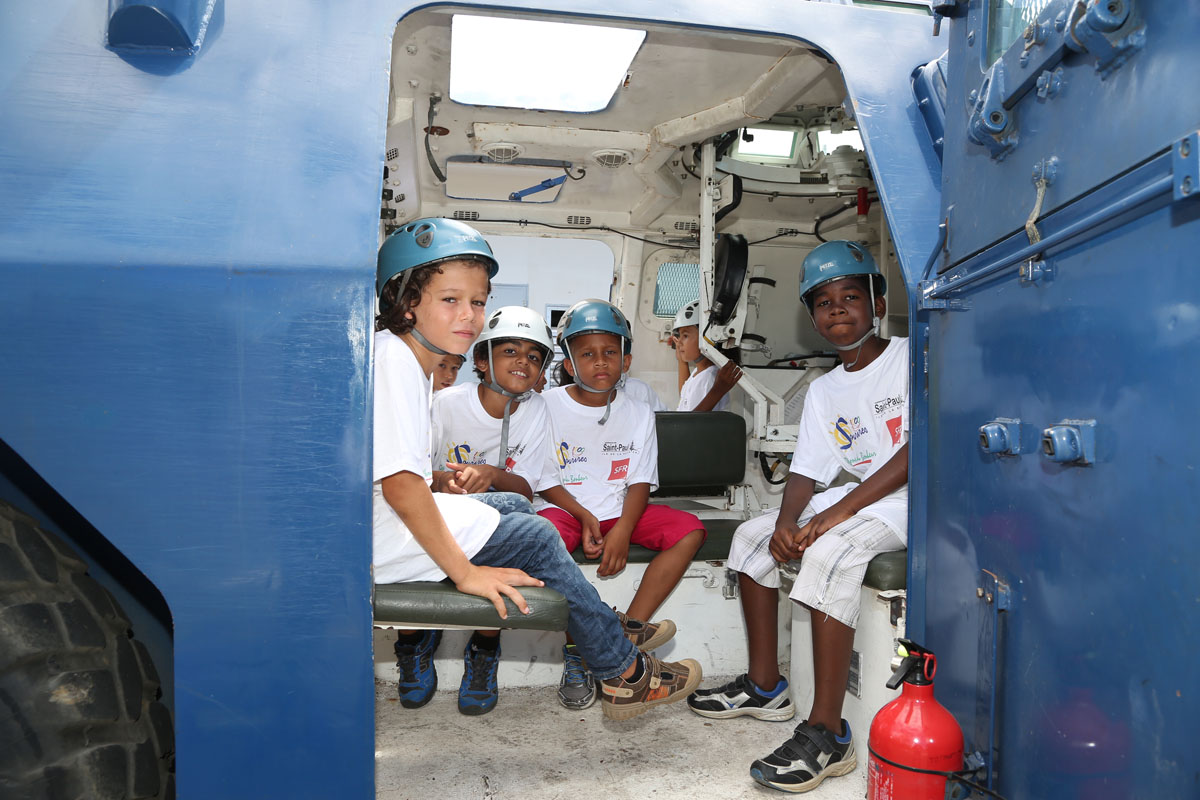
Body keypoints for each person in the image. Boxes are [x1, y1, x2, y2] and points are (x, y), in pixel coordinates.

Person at [373, 218, 701, 721]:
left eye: (478, 302)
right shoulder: (397, 362)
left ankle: (599, 624)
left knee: (510, 504)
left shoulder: (404, 361)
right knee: (536, 536)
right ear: (406, 301)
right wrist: (466, 575)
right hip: (381, 537)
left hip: (383, 523)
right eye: (450, 300)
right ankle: (622, 672)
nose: (469, 316)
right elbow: (400, 485)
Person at [686, 241, 908, 794]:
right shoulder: (824, 390)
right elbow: (806, 471)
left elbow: (914, 454)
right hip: (858, 496)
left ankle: (828, 734)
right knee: (752, 537)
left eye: (851, 296)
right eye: (824, 302)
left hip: (914, 498)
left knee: (831, 551)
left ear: (878, 302)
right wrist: (788, 523)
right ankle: (765, 687)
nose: (837, 310)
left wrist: (830, 518)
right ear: (812, 318)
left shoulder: (910, 357)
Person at [537, 298, 707, 710]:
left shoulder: (638, 411)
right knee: (544, 544)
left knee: (689, 529)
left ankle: (624, 633)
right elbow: (540, 479)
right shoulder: (545, 406)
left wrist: (623, 531)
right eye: (587, 354)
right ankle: (579, 653)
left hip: (619, 509)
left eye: (610, 353)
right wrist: (583, 515)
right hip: (565, 507)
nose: (600, 363)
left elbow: (639, 481)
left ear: (626, 360)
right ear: (569, 362)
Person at [428, 306, 556, 713]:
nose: (523, 361)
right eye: (511, 351)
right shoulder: (446, 404)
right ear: (482, 361)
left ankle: (485, 646)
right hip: (439, 514)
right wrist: (443, 481)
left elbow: (525, 489)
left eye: (534, 357)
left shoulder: (537, 410)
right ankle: (413, 641)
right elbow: (411, 474)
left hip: (494, 515)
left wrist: (490, 473)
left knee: (512, 523)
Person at [669, 300, 742, 412]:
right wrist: (681, 360)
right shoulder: (699, 372)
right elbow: (685, 397)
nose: (680, 342)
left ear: (706, 338)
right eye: (680, 336)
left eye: (685, 335)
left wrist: (717, 390)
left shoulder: (708, 377)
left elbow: (694, 421)